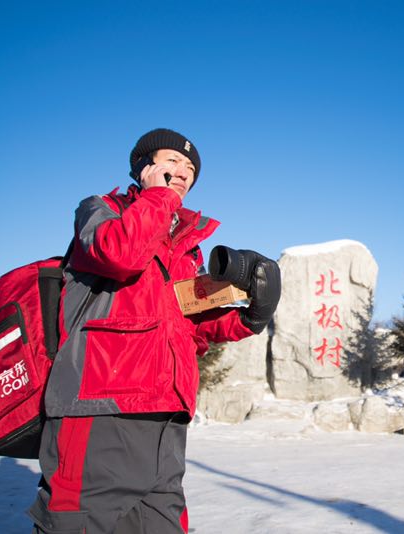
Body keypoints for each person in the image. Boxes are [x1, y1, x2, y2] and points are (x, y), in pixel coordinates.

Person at [27, 128, 280, 533]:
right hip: (100, 402)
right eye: (173, 160)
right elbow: (120, 255)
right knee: (78, 522)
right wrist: (158, 196)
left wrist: (249, 317)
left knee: (160, 525)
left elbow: (187, 326)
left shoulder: (184, 245)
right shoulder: (102, 210)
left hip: (166, 411)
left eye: (191, 167)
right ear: (144, 166)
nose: (183, 171)